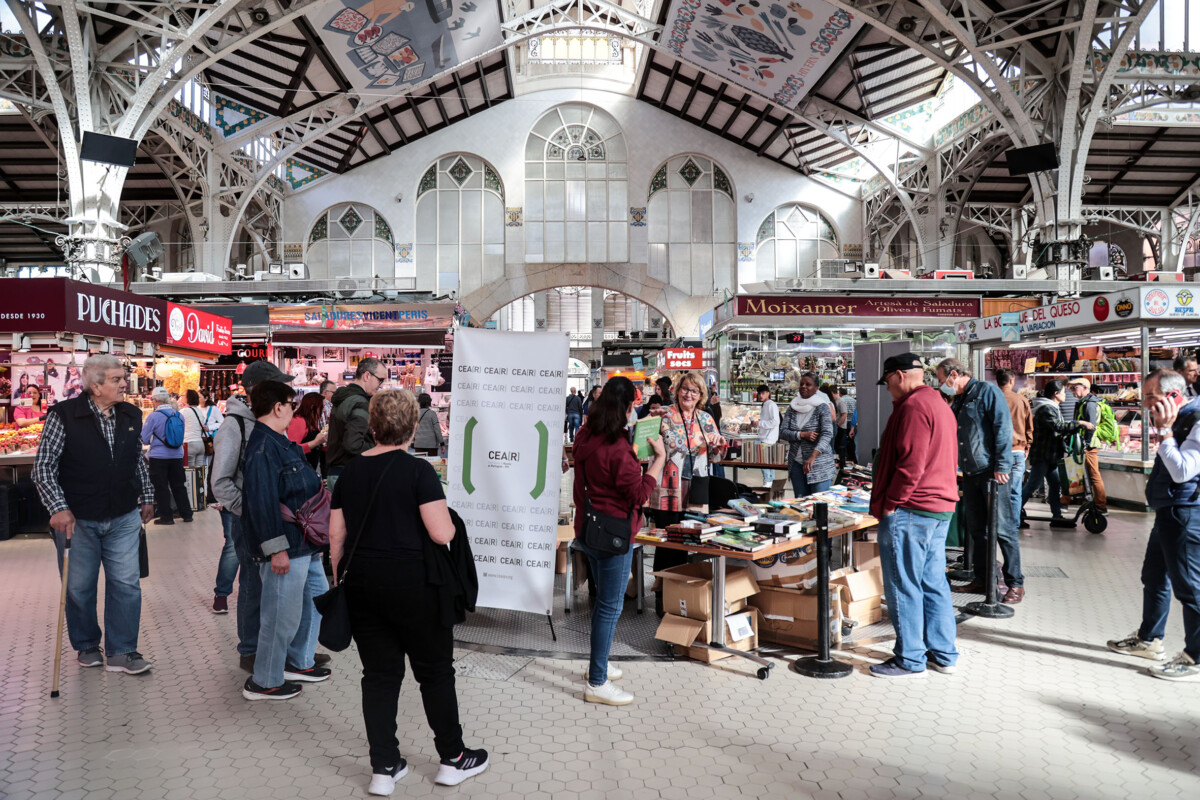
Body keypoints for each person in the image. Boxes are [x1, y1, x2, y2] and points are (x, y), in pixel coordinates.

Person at [329, 390, 489, 791]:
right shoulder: (418, 472)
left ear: (372, 426)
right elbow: (441, 532)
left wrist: (340, 581)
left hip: (364, 585)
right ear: (414, 428)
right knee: (435, 674)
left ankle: (384, 767)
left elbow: (336, 536)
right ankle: (452, 759)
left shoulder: (350, 472)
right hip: (417, 589)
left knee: (379, 677)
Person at [31, 354, 156, 675]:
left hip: (123, 515)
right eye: (117, 380)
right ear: (95, 386)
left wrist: (148, 496)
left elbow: (136, 460)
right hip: (78, 518)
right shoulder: (64, 415)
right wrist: (57, 507)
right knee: (79, 587)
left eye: (123, 378)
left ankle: (123, 651)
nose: (124, 384)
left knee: (126, 584)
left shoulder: (130, 414)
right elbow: (43, 466)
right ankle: (86, 644)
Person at [573, 377, 666, 706]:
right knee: (610, 608)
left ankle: (598, 664)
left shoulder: (585, 434)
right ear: (628, 408)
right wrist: (659, 459)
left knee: (603, 605)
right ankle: (597, 681)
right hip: (614, 535)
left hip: (587, 529)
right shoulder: (618, 450)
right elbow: (638, 495)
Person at [869, 353, 960, 677]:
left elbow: (911, 464)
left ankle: (910, 658)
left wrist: (892, 503)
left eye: (888, 383)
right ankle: (944, 654)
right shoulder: (938, 403)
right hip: (938, 508)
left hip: (911, 510)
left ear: (897, 376)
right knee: (933, 583)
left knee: (903, 585)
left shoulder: (912, 407)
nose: (888, 390)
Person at [240, 380, 332, 701]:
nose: (294, 410)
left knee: (318, 599)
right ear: (278, 407)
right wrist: (275, 549)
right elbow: (261, 502)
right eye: (291, 404)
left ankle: (299, 660)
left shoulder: (281, 442)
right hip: (287, 545)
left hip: (307, 542)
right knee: (280, 613)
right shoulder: (264, 447)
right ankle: (265, 680)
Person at [1111, 368, 1200, 681]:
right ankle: (1149, 639)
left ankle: (1195, 657)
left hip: (1187, 514)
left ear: (1175, 395)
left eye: (1151, 397)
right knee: (1154, 576)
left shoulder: (1196, 420)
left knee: (1190, 588)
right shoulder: (1181, 419)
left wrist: (1165, 433)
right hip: (1168, 512)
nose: (1146, 404)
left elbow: (1183, 471)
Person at [938, 358, 1020, 599]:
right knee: (977, 530)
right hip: (970, 473)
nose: (942, 384)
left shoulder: (988, 392)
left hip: (992, 472)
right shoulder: (960, 399)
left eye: (943, 380)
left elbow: (1002, 428)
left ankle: (1016, 583)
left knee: (1003, 529)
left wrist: (1002, 465)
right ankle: (983, 580)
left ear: (954, 373)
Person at [650, 371, 727, 611]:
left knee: (687, 540)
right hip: (668, 487)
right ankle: (662, 591)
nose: (689, 394)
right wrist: (650, 423)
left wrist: (718, 444)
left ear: (701, 395)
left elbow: (716, 457)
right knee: (667, 541)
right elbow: (650, 445)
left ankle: (680, 591)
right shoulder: (665, 415)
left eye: (694, 391)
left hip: (697, 485)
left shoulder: (706, 418)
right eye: (685, 389)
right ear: (677, 391)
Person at [1023, 381, 1085, 529]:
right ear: (1056, 394)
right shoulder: (1046, 409)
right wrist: (1079, 423)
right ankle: (1012, 515)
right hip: (1043, 455)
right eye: (1064, 392)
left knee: (1055, 485)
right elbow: (1057, 426)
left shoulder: (1052, 407)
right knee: (1032, 485)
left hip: (1051, 454)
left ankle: (1057, 517)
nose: (1066, 395)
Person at [327, 357, 386, 487]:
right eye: (380, 380)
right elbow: (353, 444)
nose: (381, 385)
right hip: (349, 473)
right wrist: (378, 449)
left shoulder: (346, 397)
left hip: (337, 472)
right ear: (367, 376)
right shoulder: (359, 402)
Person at [779, 373, 837, 498]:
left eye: (808, 384)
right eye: (801, 384)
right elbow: (783, 432)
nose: (803, 387)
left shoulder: (822, 407)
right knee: (800, 504)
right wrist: (802, 435)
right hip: (796, 464)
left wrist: (813, 456)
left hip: (819, 465)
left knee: (818, 504)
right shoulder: (793, 407)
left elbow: (827, 434)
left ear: (816, 388)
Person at [141, 386, 193, 525]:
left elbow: (144, 439)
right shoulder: (178, 415)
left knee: (161, 487)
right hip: (177, 456)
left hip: (159, 457)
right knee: (179, 485)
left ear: (155, 400)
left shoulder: (153, 416)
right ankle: (187, 514)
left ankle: (166, 517)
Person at [996, 370, 1032, 544]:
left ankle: (998, 524)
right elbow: (1029, 427)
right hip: (1018, 451)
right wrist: (1027, 447)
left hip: (997, 453)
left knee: (997, 491)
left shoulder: (994, 398)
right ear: (1011, 381)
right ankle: (1013, 526)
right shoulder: (1022, 400)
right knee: (1015, 491)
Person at [1068, 377, 1108, 513]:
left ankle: (1101, 505)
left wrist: (1086, 443)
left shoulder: (1090, 403)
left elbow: (1091, 426)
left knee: (1094, 475)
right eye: (1071, 388)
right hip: (1085, 443)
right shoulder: (1082, 402)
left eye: (1075, 388)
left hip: (1090, 445)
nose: (1073, 391)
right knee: (1085, 474)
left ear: (1085, 388)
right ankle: (1085, 499)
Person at [288, 392, 330, 473]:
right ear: (312, 407)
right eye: (322, 407)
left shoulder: (311, 422)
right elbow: (291, 449)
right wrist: (315, 442)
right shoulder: (299, 421)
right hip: (299, 472)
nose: (324, 410)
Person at [757, 384, 780, 486]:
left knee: (764, 461)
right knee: (768, 461)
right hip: (766, 436)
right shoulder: (766, 404)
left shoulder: (771, 405)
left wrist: (760, 423)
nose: (760, 395)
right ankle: (770, 481)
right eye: (759, 393)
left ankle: (768, 481)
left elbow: (775, 421)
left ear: (768, 393)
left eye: (763, 393)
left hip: (768, 437)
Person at [181, 389, 210, 468]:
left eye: (183, 395)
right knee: (199, 472)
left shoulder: (183, 411)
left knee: (190, 472)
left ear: (188, 398)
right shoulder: (199, 411)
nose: (181, 397)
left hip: (189, 443)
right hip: (200, 443)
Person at [834, 387, 857, 466]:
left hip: (844, 422)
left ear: (840, 393)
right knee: (852, 441)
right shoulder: (853, 400)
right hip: (853, 423)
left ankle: (845, 457)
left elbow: (843, 413)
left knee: (843, 442)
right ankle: (852, 458)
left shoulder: (841, 400)